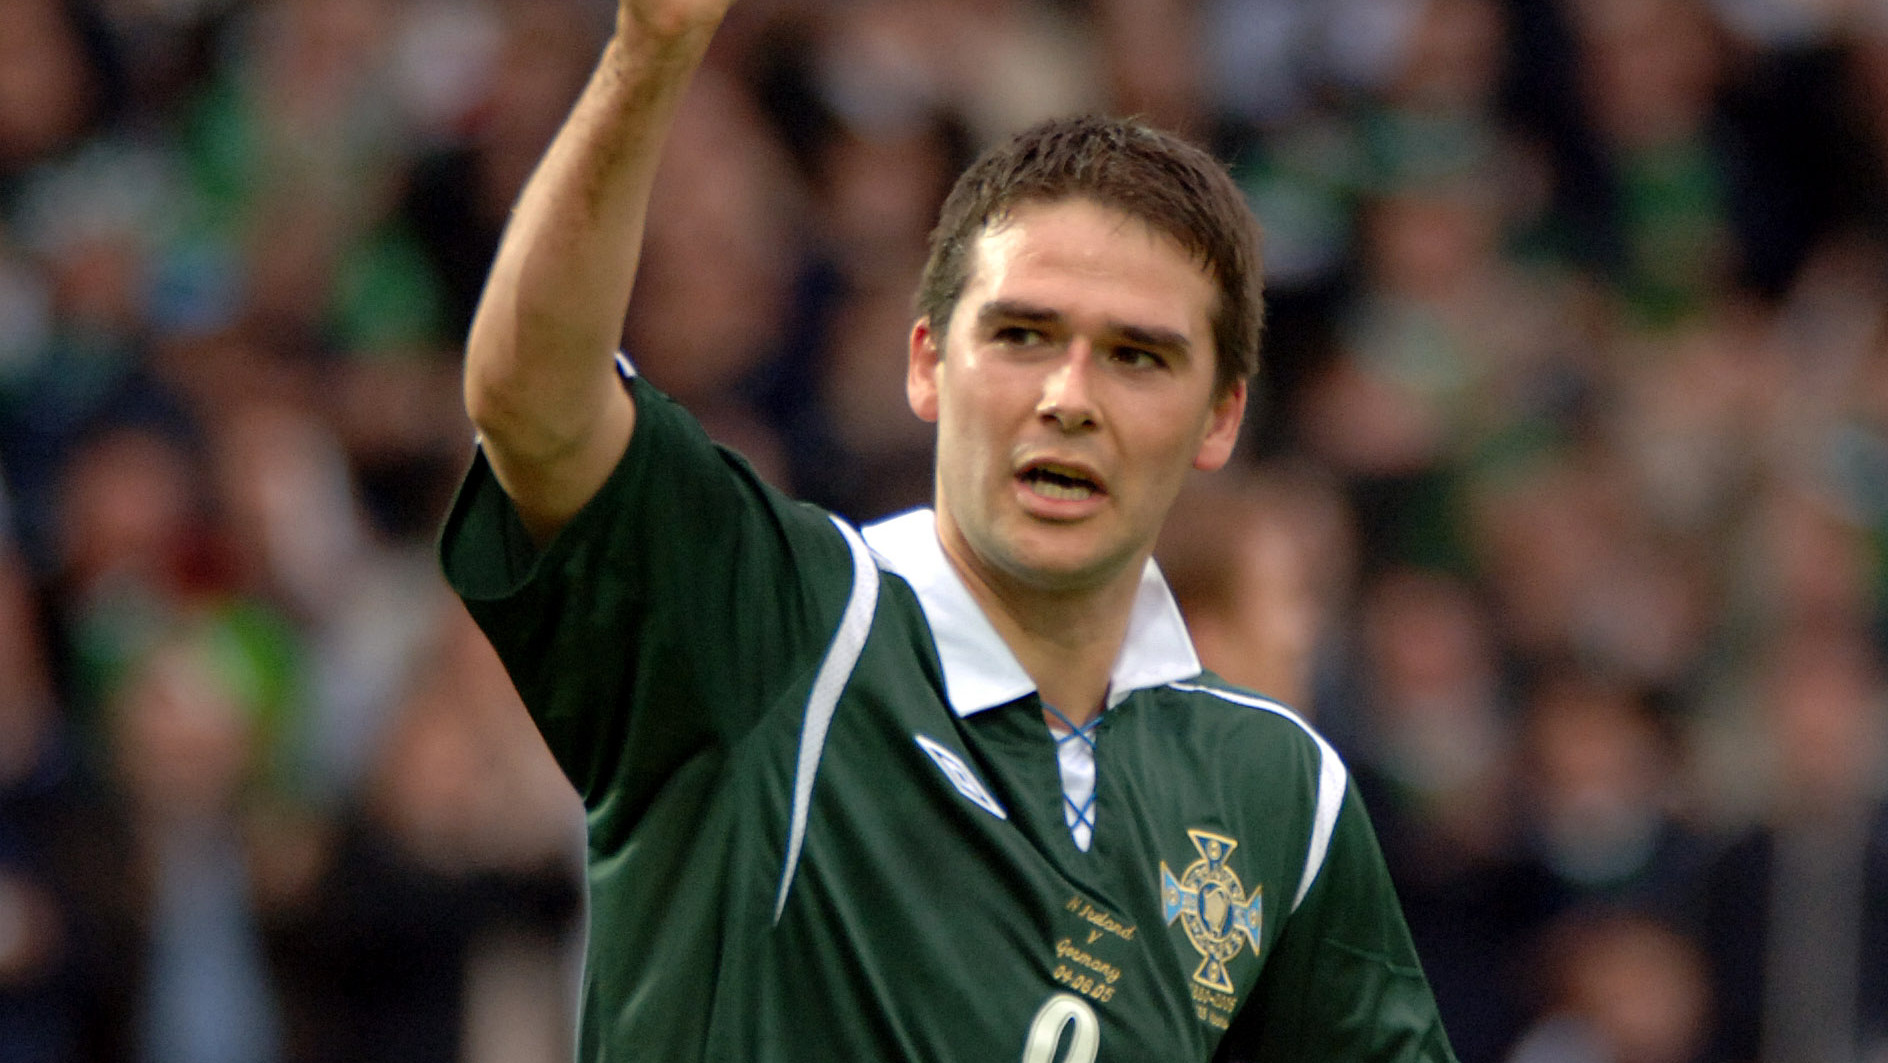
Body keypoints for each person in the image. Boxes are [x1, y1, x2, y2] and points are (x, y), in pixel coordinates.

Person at [437, 0, 1458, 1057]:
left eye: (1137, 356)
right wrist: (646, 57)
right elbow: (533, 407)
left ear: (1220, 419)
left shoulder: (1279, 789)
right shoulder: (781, 626)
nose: (1069, 396)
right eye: (1023, 335)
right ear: (926, 362)